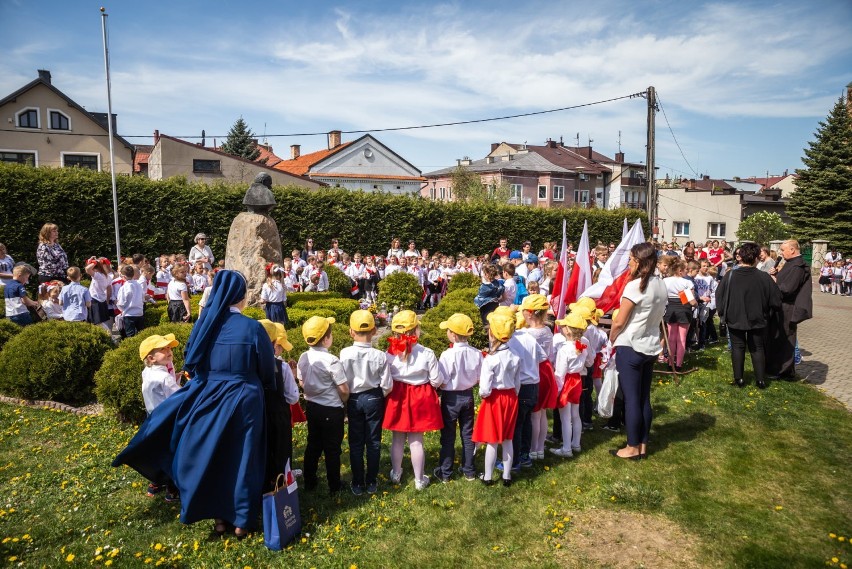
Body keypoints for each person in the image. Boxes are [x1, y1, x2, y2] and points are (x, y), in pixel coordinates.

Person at [113, 270, 277, 538]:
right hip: (245, 396)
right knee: (245, 456)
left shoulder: (204, 325)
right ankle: (242, 520)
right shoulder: (252, 327)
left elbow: (192, 362)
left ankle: (219, 519)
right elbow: (267, 370)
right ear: (241, 296)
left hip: (209, 395)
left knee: (215, 455)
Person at [608, 241, 667, 460]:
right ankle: (642, 444)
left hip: (631, 345)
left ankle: (632, 446)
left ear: (639, 261)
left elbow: (619, 321)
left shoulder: (634, 286)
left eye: (631, 259)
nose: (628, 263)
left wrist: (612, 338)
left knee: (632, 398)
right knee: (643, 398)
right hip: (650, 345)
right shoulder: (661, 283)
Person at [383, 310, 442, 491]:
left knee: (397, 439)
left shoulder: (389, 354)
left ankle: (396, 473)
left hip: (397, 396)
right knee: (417, 441)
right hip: (420, 397)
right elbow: (436, 380)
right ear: (416, 330)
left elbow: (386, 378)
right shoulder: (427, 353)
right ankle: (419, 479)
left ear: (394, 332)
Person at [339, 310, 392, 496]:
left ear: (351, 331)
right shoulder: (380, 355)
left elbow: (342, 380)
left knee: (355, 443)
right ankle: (371, 481)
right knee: (374, 441)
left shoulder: (344, 353)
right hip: (374, 397)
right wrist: (380, 394)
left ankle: (357, 482)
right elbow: (387, 384)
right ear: (374, 330)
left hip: (353, 398)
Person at [715, 242, 781, 389]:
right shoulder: (764, 277)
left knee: (738, 347)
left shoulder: (730, 275)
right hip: (758, 317)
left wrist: (722, 313)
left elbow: (719, 295)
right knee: (757, 348)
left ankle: (739, 378)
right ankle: (760, 380)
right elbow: (776, 300)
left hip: (734, 316)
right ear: (756, 257)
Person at [297, 316, 349, 493]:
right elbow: (343, 389)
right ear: (326, 339)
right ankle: (335, 485)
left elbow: (301, 382)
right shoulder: (332, 361)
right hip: (331, 409)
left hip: (312, 408)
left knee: (313, 445)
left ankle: (310, 481)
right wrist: (344, 400)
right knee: (332, 449)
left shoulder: (303, 357)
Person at [473, 311, 521, 486]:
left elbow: (485, 388)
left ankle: (487, 476)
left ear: (491, 333)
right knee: (508, 438)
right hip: (510, 398)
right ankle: (507, 476)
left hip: (494, 399)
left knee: (492, 440)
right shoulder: (515, 355)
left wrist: (483, 395)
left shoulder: (491, 359)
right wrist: (513, 394)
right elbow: (517, 383)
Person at [434, 313, 482, 483]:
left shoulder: (448, 355)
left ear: (453, 334)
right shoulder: (476, 353)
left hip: (450, 398)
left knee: (448, 435)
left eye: (448, 330)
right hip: (468, 395)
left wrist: (439, 387)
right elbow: (479, 377)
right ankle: (469, 470)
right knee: (468, 434)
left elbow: (442, 379)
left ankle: (445, 472)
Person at [138, 333, 182, 502]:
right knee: (172, 453)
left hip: (152, 416)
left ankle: (155, 482)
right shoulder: (163, 377)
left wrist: (174, 377)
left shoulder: (147, 371)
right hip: (167, 420)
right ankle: (172, 489)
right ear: (152, 357)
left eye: (169, 347)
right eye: (163, 349)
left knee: (157, 451)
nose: (169, 351)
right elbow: (178, 396)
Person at [258, 320, 298, 492]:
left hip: (256, 416)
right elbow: (292, 397)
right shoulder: (281, 367)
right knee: (280, 452)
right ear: (274, 344)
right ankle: (280, 488)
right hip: (277, 416)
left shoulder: (246, 364)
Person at [519, 294, 557, 461]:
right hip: (546, 369)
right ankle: (540, 447)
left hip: (534, 371)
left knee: (535, 414)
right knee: (541, 413)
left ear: (529, 314)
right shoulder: (547, 330)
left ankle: (533, 448)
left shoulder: (527, 334)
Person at [767, 240, 812, 380]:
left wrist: (774, 282)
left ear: (792, 250)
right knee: (777, 337)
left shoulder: (798, 266)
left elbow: (788, 289)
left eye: (783, 249)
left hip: (788, 307)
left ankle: (784, 371)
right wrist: (776, 275)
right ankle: (775, 368)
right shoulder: (791, 263)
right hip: (781, 306)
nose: (781, 252)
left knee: (786, 339)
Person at [551, 312, 588, 458]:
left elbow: (560, 373)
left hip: (566, 383)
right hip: (577, 381)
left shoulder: (564, 349)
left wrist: (557, 390)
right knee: (575, 415)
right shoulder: (582, 347)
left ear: (567, 330)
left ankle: (566, 449)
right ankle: (576, 444)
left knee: (565, 418)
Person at [663, 258, 698, 372]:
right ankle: (678, 365)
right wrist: (697, 304)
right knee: (681, 339)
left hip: (671, 309)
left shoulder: (665, 281)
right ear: (679, 270)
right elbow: (691, 301)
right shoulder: (687, 282)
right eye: (685, 269)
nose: (687, 272)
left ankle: (670, 364)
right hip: (684, 309)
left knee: (671, 338)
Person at [116, 264, 145, 337]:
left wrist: (120, 308)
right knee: (141, 333)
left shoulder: (124, 288)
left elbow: (122, 302)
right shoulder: (138, 285)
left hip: (129, 314)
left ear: (124, 277)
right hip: (139, 312)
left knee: (130, 334)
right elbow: (142, 298)